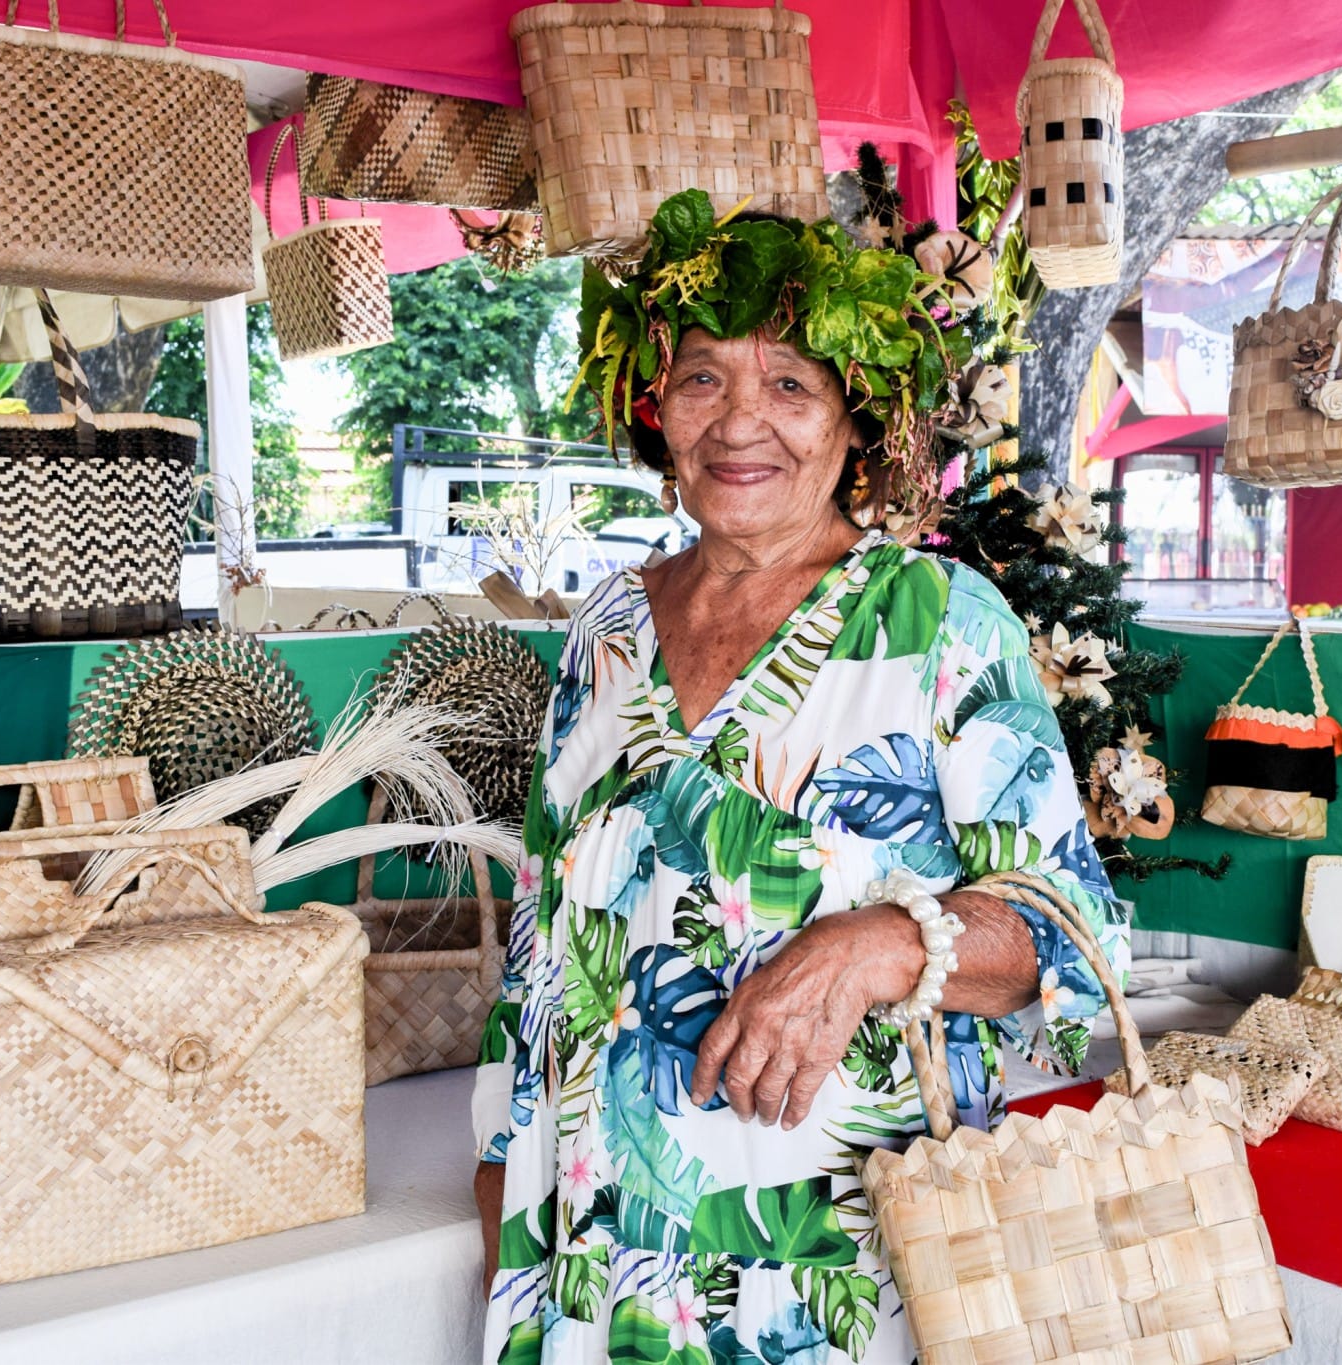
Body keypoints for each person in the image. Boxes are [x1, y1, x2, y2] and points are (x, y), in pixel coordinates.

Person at [472, 192, 1127, 1365]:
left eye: (789, 386)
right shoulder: (605, 631)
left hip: (816, 1273)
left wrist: (877, 942)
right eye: (701, 379)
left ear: (852, 423)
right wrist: (497, 1171)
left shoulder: (938, 619)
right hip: (586, 1243)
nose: (740, 423)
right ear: (655, 410)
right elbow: (536, 931)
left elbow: (1071, 937)